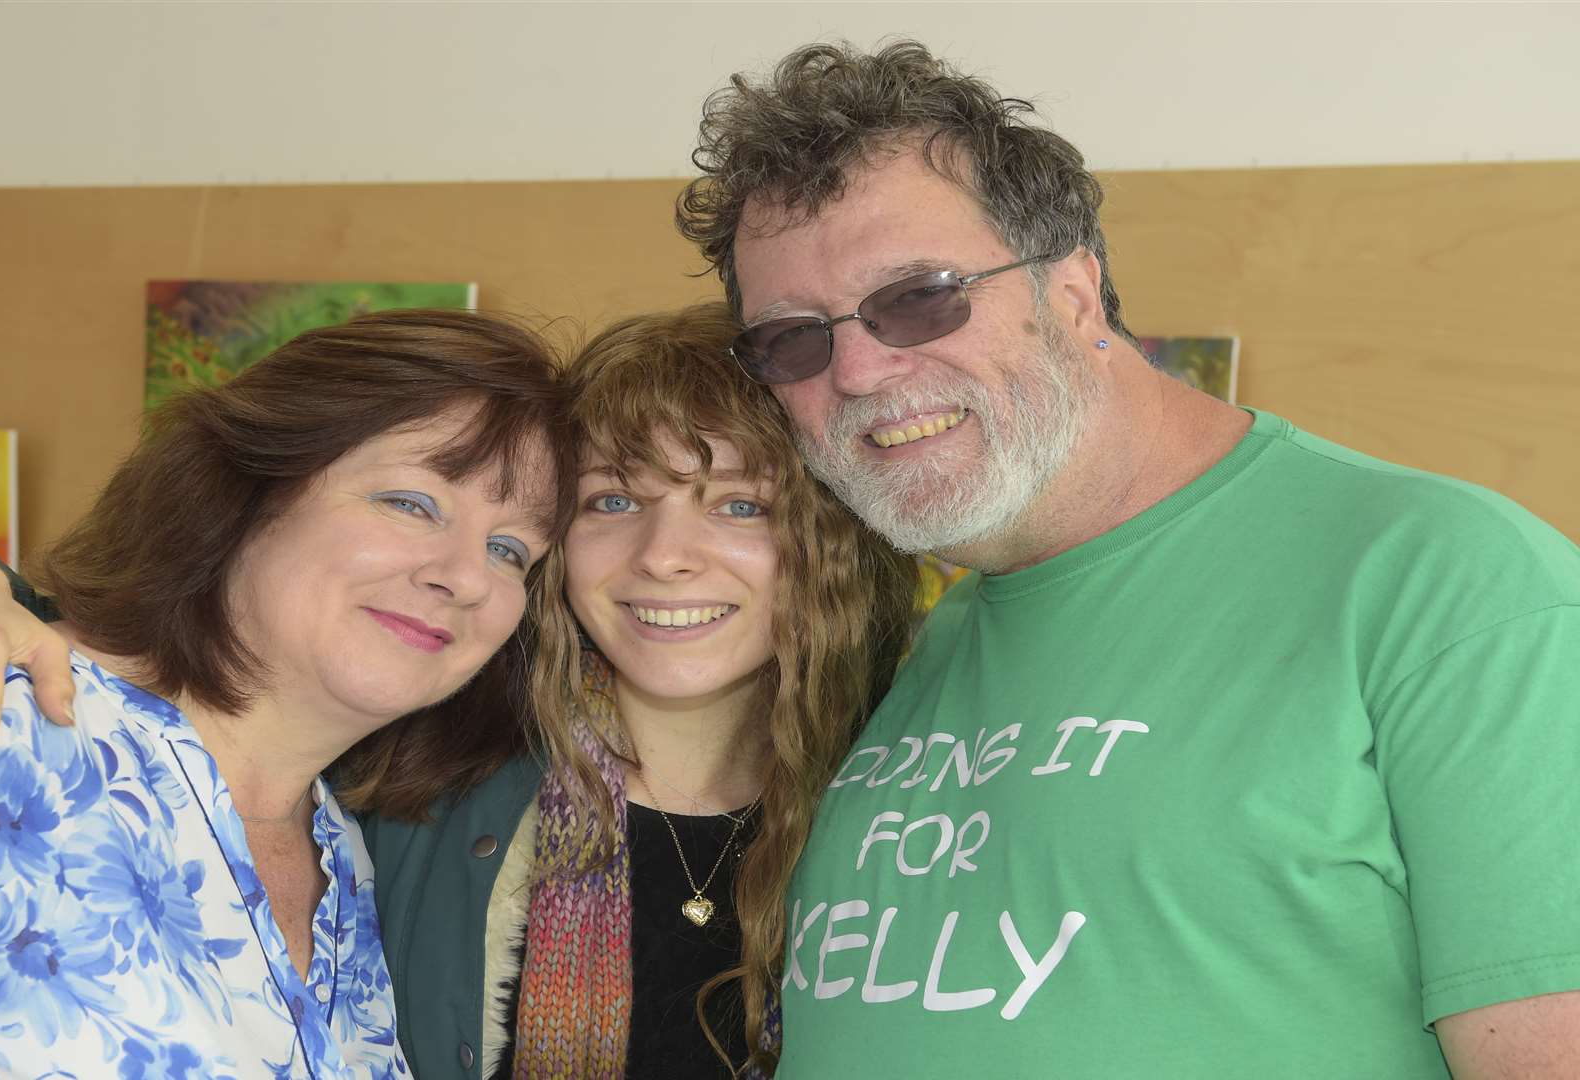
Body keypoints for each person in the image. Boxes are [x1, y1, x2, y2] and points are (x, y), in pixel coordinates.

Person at [671, 39, 1580, 1077]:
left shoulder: (1448, 584)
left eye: (919, 299)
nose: (863, 368)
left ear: (1073, 293)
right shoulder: (929, 638)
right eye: (793, 338)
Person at [0, 304, 917, 1079]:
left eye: (742, 505)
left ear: (831, 540)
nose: (666, 555)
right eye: (613, 500)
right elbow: (195, 684)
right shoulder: (420, 767)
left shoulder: (907, 796)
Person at [0, 309, 577, 1078]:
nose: (464, 575)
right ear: (242, 492)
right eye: (413, 503)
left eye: (510, 552)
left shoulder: (346, 855)